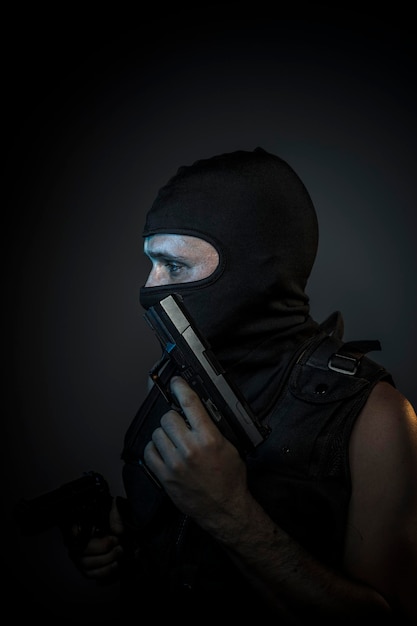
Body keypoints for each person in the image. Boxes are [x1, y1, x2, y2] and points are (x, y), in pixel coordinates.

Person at [71, 148, 417, 624]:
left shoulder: (374, 416)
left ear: (254, 270)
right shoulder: (181, 371)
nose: (149, 288)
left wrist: (227, 511)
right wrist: (124, 542)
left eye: (174, 267)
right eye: (151, 263)